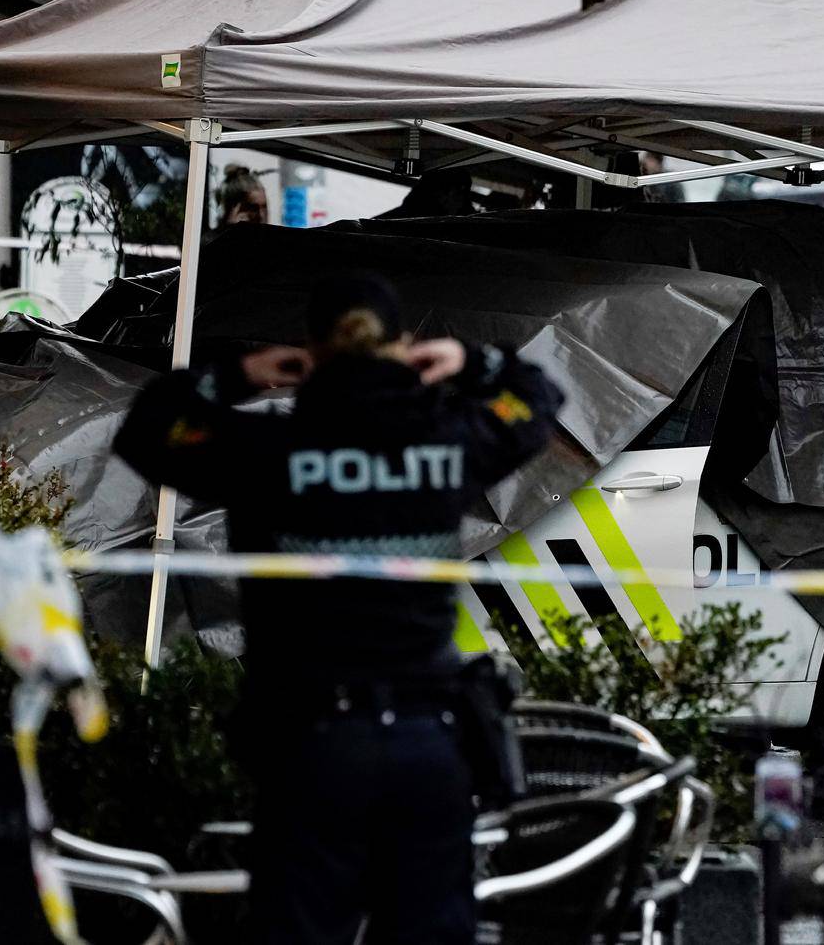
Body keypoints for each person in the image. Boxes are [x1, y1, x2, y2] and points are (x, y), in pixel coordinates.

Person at [113, 273, 563, 944]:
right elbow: (539, 399)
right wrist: (470, 361)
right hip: (426, 743)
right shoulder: (448, 441)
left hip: (313, 751)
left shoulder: (265, 452)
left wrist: (240, 372)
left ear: (310, 352)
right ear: (405, 346)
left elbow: (147, 428)